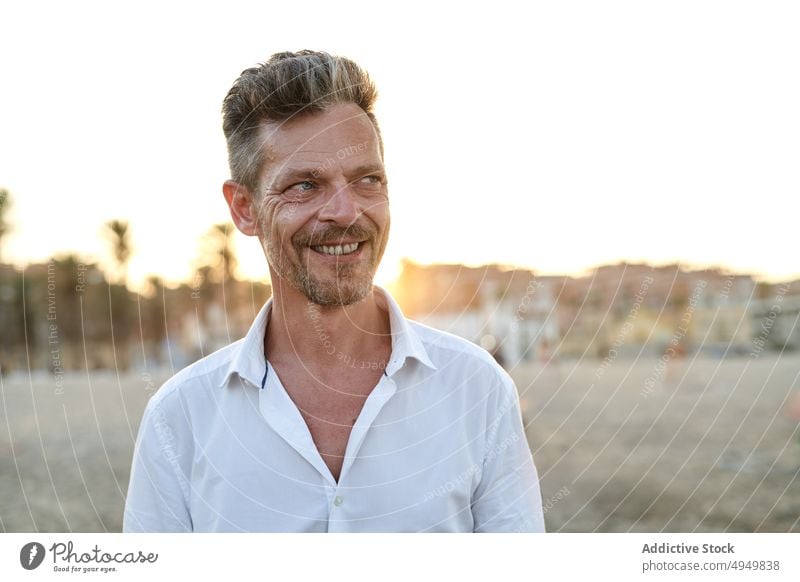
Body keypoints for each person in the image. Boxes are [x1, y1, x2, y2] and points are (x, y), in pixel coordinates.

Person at [123, 50, 545, 532]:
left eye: (368, 180)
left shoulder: (478, 390)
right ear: (244, 208)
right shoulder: (179, 420)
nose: (345, 212)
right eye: (305, 185)